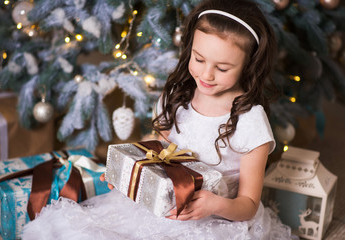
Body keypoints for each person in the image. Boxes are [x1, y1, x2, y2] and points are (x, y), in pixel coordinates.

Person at [22, 0, 293, 239]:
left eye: (222, 68)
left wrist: (214, 205)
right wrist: (131, 171)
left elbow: (248, 204)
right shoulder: (177, 97)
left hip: (217, 217)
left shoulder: (249, 120)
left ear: (249, 65)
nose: (207, 75)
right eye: (198, 59)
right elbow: (158, 151)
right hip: (163, 202)